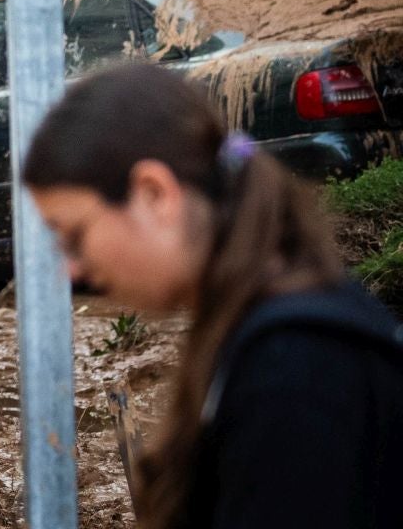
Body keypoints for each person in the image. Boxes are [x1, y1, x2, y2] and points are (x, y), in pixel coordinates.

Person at [25, 63, 403, 529]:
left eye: (74, 234)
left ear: (154, 194)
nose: (71, 267)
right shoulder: (269, 326)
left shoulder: (297, 369)